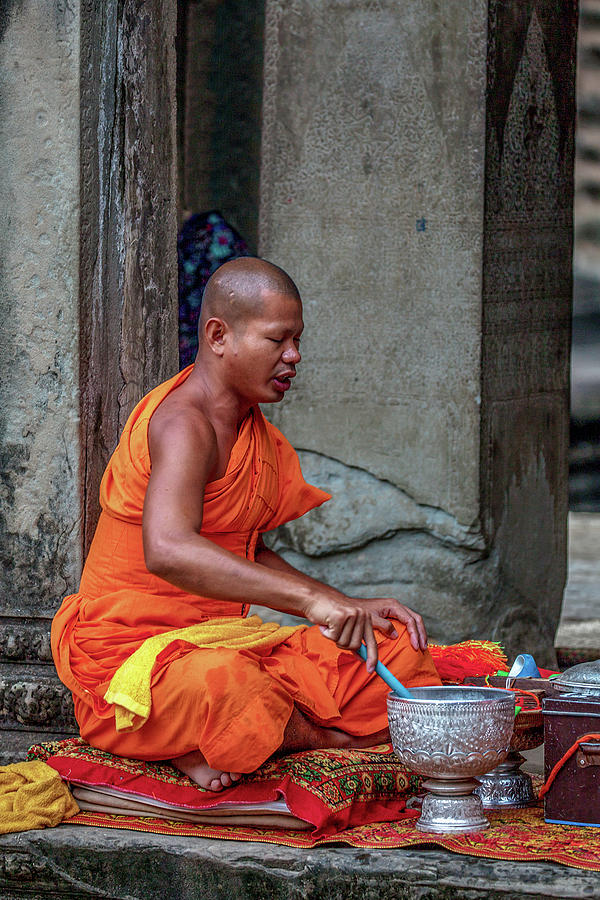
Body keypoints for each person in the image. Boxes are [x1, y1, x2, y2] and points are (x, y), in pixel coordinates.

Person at [51, 258, 441, 792]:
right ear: (218, 335)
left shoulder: (248, 427)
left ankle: (239, 740)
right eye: (278, 339)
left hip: (223, 639)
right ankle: (325, 742)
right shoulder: (185, 424)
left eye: (297, 340)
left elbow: (244, 550)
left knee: (393, 647)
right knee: (229, 686)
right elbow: (168, 548)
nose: (294, 357)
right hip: (136, 659)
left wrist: (344, 603)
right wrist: (309, 605)